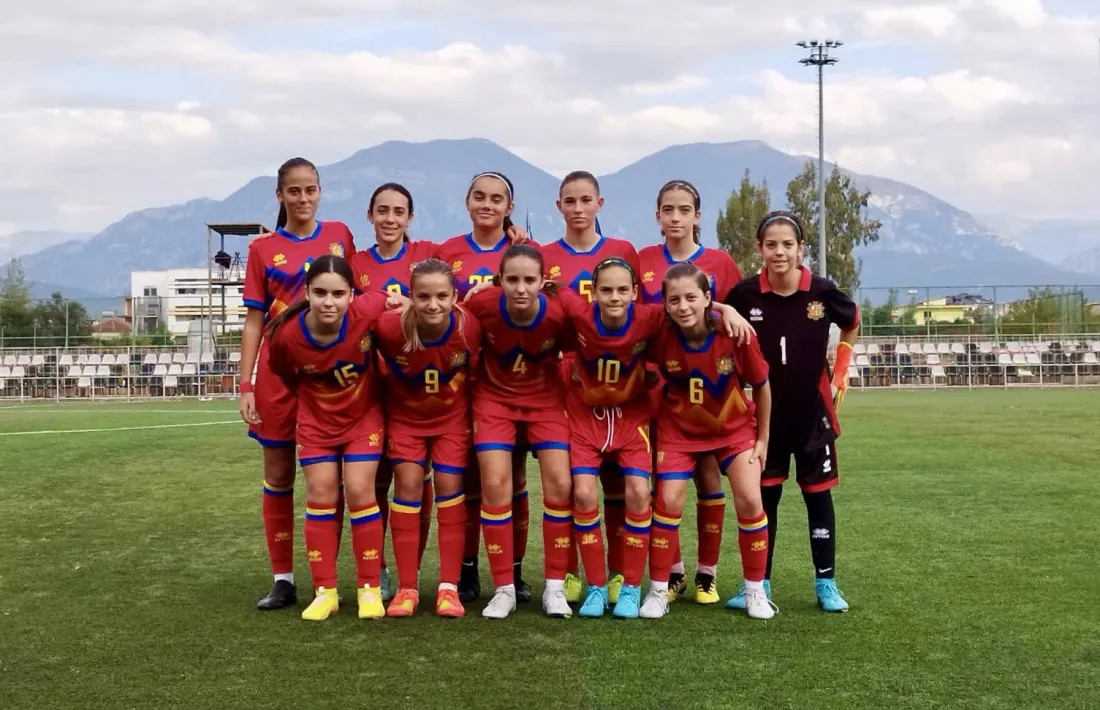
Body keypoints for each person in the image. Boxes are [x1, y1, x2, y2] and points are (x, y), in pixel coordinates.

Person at [552, 257, 745, 619]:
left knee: (640, 493)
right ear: (592, 294)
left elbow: (688, 304)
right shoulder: (578, 311)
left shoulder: (650, 317)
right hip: (586, 418)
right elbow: (553, 289)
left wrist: (725, 307)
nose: (614, 297)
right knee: (582, 492)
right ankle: (595, 587)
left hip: (631, 418)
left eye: (623, 290)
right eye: (606, 290)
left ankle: (628, 587)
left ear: (636, 293)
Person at [238, 157, 358, 611]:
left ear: (320, 191)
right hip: (279, 373)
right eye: (294, 191)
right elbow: (253, 321)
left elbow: (361, 293)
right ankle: (283, 579)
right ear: (280, 195)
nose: (303, 198)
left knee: (335, 478)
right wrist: (245, 384)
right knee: (279, 474)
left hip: (332, 372)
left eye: (310, 190)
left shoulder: (340, 235)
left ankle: (329, 579)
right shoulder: (263, 249)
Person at [724, 211, 859, 613]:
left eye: (787, 244)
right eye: (771, 244)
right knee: (766, 499)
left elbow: (851, 321)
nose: (779, 252)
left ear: (801, 248)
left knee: (818, 497)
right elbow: (719, 326)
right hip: (765, 418)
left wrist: (841, 371)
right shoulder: (745, 296)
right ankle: (759, 583)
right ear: (759, 248)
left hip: (813, 415)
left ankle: (826, 583)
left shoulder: (822, 291)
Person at [265, 255, 400, 620]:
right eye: (320, 292)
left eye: (339, 293)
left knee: (360, 491)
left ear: (351, 294)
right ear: (306, 293)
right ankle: (325, 591)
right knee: (321, 495)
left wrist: (401, 301)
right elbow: (283, 373)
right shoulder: (286, 336)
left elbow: (392, 301)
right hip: (316, 425)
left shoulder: (366, 310)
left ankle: (369, 588)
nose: (329, 301)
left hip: (363, 420)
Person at [641, 262, 775, 620]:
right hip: (678, 431)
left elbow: (761, 386)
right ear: (665, 304)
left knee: (749, 497)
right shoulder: (659, 333)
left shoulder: (735, 332)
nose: (683, 306)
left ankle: (755, 590)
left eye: (691, 298)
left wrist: (762, 440)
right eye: (674, 299)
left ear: (707, 298)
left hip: (733, 431)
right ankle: (657, 589)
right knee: (667, 499)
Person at [638, 180, 744, 604]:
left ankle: (707, 573)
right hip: (655, 387)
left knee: (707, 476)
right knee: (662, 481)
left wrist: (725, 306)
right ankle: (674, 572)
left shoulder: (719, 262)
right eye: (668, 209)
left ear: (698, 215)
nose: (676, 217)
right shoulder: (642, 259)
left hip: (712, 392)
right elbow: (634, 307)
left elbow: (735, 320)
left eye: (684, 209)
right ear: (657, 215)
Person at [539, 170, 639, 605]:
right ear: (558, 206)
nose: (578, 208)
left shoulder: (622, 251)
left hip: (622, 393)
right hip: (569, 390)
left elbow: (645, 315)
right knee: (573, 486)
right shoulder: (542, 256)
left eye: (585, 200)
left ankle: (618, 574)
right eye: (570, 201)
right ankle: (574, 573)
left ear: (600, 204)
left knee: (619, 486)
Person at [464, 244, 575, 619]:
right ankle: (504, 589)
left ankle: (555, 588)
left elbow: (591, 339)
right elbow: (450, 327)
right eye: (513, 280)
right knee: (495, 485)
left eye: (530, 280)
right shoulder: (480, 306)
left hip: (545, 400)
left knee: (561, 485)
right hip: (494, 400)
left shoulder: (559, 315)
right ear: (499, 281)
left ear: (544, 282)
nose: (522, 288)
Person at [437, 172, 533, 605]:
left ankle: (514, 571)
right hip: (461, 382)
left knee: (512, 477)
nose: (487, 205)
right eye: (480, 197)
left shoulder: (523, 252)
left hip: (510, 384)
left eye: (497, 198)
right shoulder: (448, 252)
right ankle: (468, 568)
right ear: (467, 200)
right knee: (472, 479)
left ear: (509, 207)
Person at [373, 258, 482, 618]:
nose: (433, 305)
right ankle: (407, 587)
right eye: (423, 296)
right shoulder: (390, 328)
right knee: (407, 484)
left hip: (451, 420)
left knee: (451, 485)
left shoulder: (469, 328)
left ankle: (448, 588)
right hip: (405, 420)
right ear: (409, 296)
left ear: (455, 297)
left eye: (441, 296)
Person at [350, 183, 442, 602]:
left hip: (416, 388)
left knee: (416, 481)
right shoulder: (355, 263)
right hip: (369, 387)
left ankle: (412, 569)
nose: (390, 218)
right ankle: (380, 568)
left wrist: (515, 232)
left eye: (399, 211)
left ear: (410, 218)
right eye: (382, 210)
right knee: (377, 481)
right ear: (369, 215)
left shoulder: (427, 254)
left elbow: (489, 259)